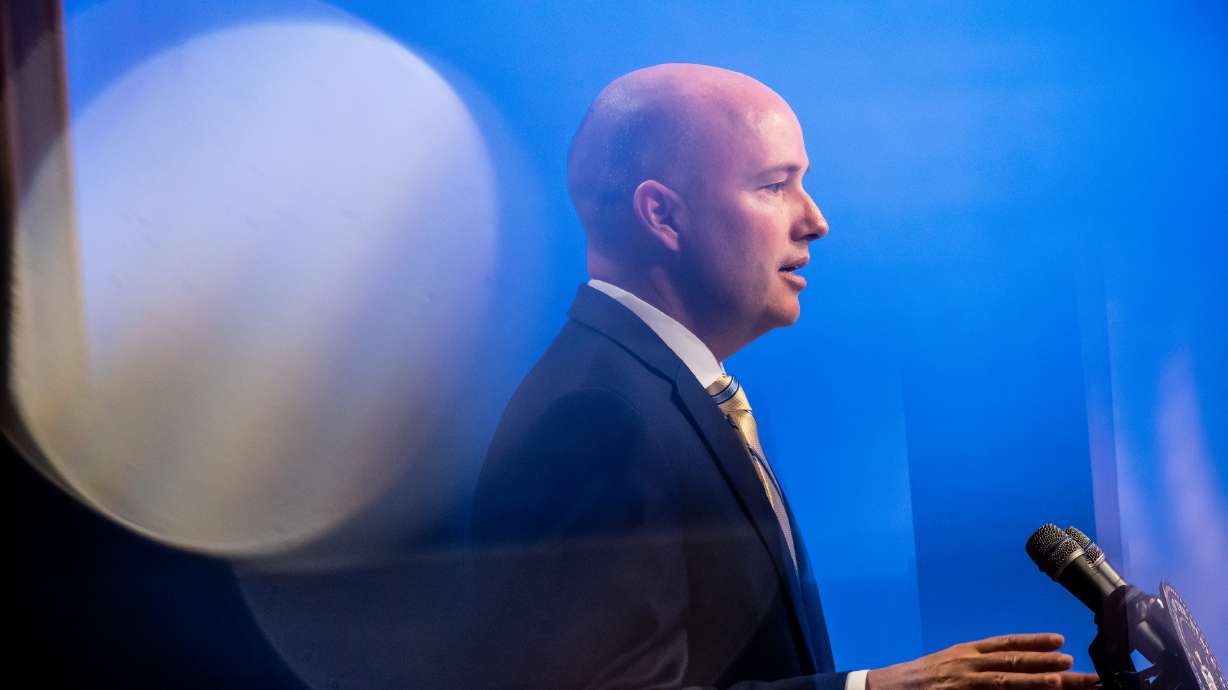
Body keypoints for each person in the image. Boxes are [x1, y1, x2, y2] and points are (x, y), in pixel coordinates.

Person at [468, 63, 1097, 690]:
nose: (815, 220)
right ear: (662, 215)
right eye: (775, 185)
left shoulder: (656, 394)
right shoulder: (599, 418)